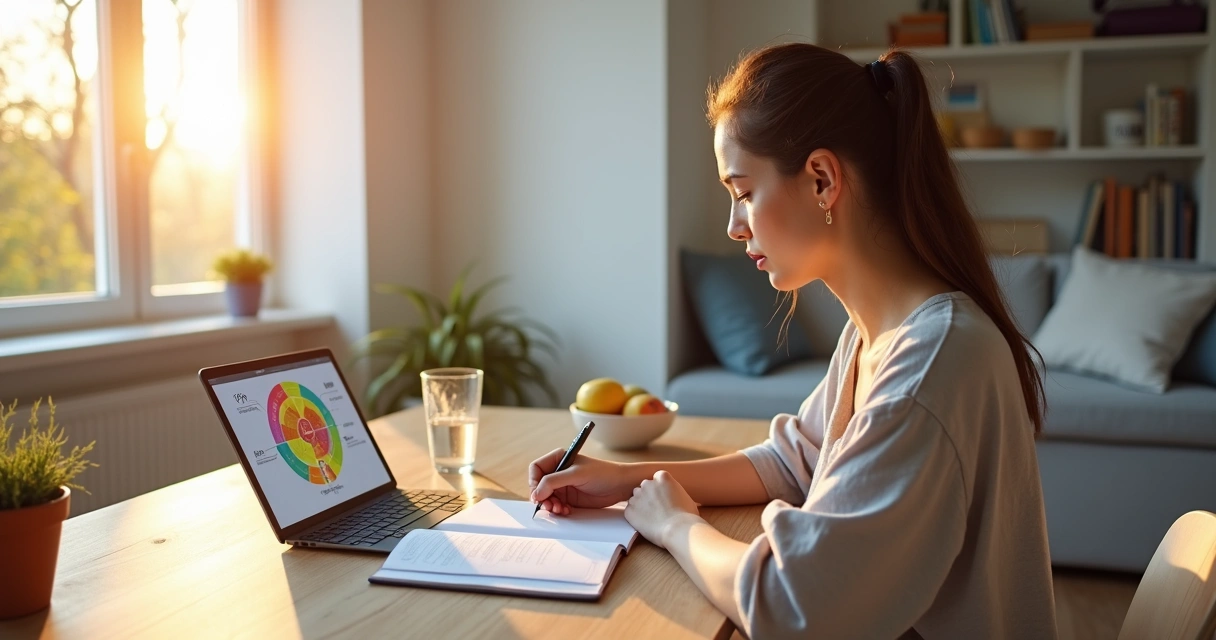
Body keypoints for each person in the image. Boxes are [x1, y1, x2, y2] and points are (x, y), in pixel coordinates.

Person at [528, 43, 1057, 639]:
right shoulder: (876, 336)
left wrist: (675, 525)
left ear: (822, 180)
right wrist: (626, 481)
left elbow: (794, 607)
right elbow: (792, 461)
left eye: (744, 193)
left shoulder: (931, 363)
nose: (734, 226)